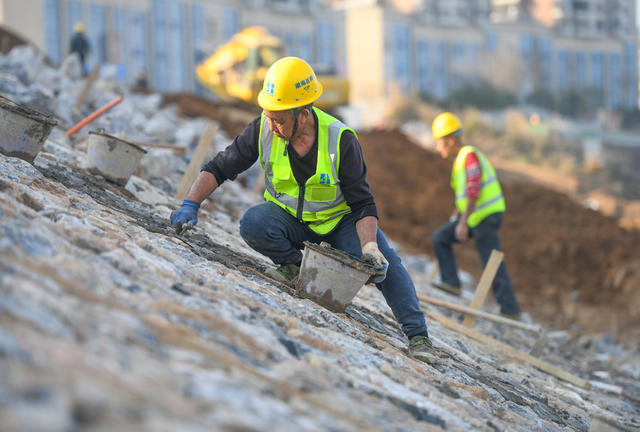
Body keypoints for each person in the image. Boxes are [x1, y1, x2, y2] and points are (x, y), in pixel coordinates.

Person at [170, 56, 436, 362]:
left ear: (304, 114)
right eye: (269, 116)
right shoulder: (263, 129)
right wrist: (191, 203)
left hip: (339, 222)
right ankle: (296, 267)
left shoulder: (341, 140)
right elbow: (220, 167)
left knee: (386, 267)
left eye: (280, 119)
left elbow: (363, 204)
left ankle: (419, 337)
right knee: (254, 223)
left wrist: (370, 246)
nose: (273, 125)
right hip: (290, 222)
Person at [430, 112, 521, 319]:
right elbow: (465, 197)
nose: (438, 147)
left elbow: (474, 190)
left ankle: (510, 310)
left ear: (451, 140)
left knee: (491, 260)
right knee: (441, 237)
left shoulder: (468, 156)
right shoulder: (460, 161)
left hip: (487, 216)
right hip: (475, 216)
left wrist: (462, 223)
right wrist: (458, 216)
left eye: (439, 142)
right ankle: (451, 283)